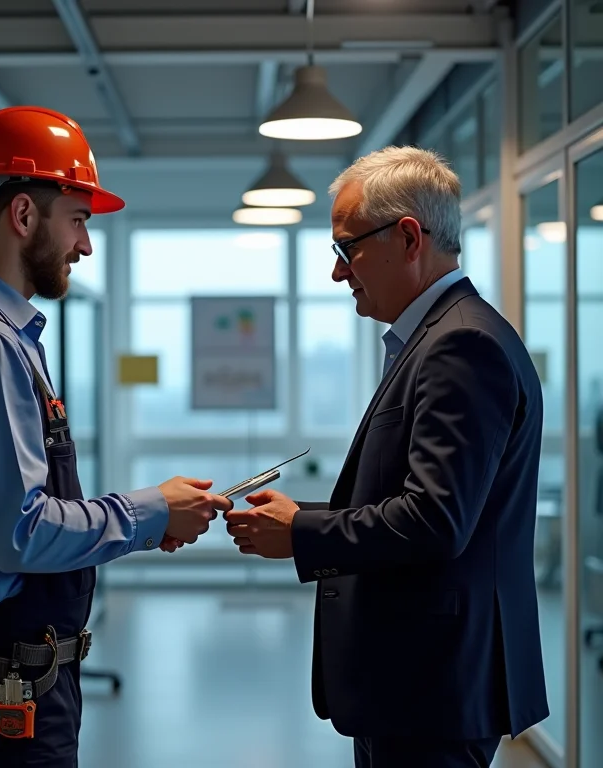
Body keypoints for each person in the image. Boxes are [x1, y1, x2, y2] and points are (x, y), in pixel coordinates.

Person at [0, 106, 232, 767]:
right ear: (24, 216)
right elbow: (19, 532)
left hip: (9, 678)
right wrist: (150, 510)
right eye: (77, 220)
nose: (84, 244)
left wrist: (149, 516)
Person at [225, 146, 549, 767]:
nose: (338, 273)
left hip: (432, 684)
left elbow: (435, 521)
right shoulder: (439, 337)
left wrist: (301, 532)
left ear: (407, 238)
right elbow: (420, 500)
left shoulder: (461, 347)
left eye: (347, 250)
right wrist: (299, 518)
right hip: (420, 681)